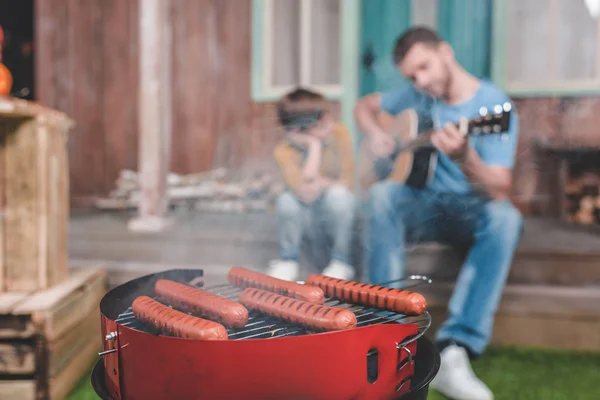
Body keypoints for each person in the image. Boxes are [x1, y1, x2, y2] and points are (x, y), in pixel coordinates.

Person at [354, 27, 523, 400]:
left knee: (506, 217)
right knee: (382, 194)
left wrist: (466, 157)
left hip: (468, 209)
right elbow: (364, 106)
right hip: (423, 204)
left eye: (425, 67)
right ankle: (388, 330)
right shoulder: (417, 95)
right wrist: (374, 133)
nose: (421, 80)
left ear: (445, 52)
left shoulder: (493, 108)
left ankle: (454, 348)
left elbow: (500, 187)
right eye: (412, 76)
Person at [266, 87, 358, 282]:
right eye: (322, 124)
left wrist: (323, 184)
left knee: (340, 196)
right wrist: (314, 147)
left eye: (329, 119)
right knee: (286, 201)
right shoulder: (283, 151)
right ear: (299, 131)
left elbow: (347, 182)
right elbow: (303, 191)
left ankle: (341, 262)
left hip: (332, 213)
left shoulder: (339, 134)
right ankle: (288, 260)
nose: (331, 126)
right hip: (304, 218)